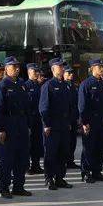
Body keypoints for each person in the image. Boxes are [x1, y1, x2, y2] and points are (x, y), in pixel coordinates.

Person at [0, 57, 33, 198]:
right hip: (8, 125)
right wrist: (0, 129)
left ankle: (18, 186)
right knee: (7, 159)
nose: (17, 68)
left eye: (17, 66)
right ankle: (4, 187)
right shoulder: (2, 85)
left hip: (21, 124)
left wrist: (27, 125)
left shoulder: (21, 84)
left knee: (21, 158)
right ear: (6, 69)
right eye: (13, 66)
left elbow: (27, 107)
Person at [39, 57, 74, 190]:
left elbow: (69, 105)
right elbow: (44, 108)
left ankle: (60, 178)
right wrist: (46, 124)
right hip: (52, 125)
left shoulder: (65, 85)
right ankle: (49, 178)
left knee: (63, 152)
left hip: (64, 125)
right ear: (53, 69)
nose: (62, 68)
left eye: (63, 66)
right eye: (60, 66)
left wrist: (69, 121)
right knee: (51, 153)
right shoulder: (48, 85)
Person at [78, 59, 103, 184]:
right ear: (93, 68)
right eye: (99, 67)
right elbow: (82, 105)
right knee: (88, 148)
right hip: (90, 122)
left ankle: (97, 171)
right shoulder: (86, 84)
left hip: (102, 121)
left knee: (99, 147)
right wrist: (84, 122)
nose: (102, 68)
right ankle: (86, 172)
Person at [24, 64, 44, 175]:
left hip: (38, 119)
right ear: (29, 72)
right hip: (29, 118)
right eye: (34, 71)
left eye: (38, 71)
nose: (37, 73)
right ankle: (27, 166)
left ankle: (36, 165)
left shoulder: (39, 85)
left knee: (37, 143)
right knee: (28, 144)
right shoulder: (25, 85)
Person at [64, 65, 80, 169]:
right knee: (66, 141)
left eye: (72, 73)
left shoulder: (73, 86)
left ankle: (70, 160)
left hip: (73, 117)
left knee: (73, 141)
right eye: (68, 73)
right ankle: (64, 161)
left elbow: (76, 102)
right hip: (65, 118)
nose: (71, 75)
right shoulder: (62, 85)